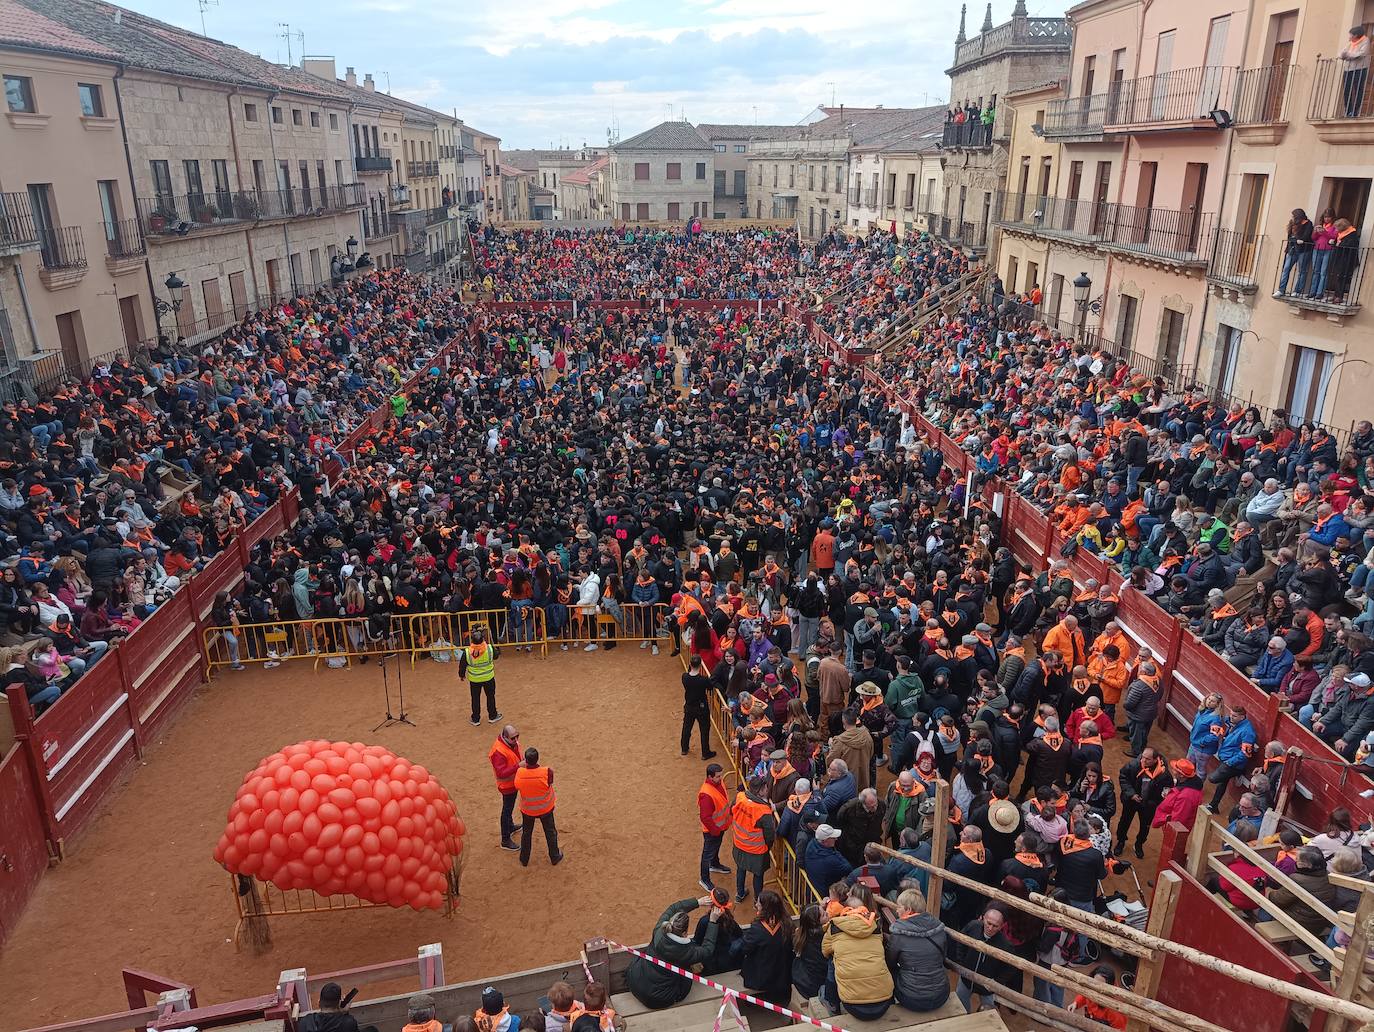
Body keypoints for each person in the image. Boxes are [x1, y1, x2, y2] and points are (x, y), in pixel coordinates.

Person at [626, 897, 723, 1009]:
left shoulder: (659, 929)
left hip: (634, 979)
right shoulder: (687, 951)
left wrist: (697, 902)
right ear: (685, 933)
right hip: (657, 997)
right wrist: (712, 921)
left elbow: (673, 908)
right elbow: (708, 949)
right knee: (688, 973)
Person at [820, 895, 894, 1019]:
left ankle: (832, 1003)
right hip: (884, 1003)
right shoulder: (875, 926)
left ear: (846, 909)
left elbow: (825, 951)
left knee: (833, 961)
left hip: (853, 1006)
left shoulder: (834, 926)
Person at [886, 886, 951, 1013]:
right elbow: (942, 957)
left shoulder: (898, 935)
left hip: (912, 999)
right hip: (941, 996)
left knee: (891, 971)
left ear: (908, 910)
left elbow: (890, 962)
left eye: (899, 906)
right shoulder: (939, 929)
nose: (897, 910)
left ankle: (890, 1003)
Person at [951, 905, 1013, 1014]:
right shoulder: (972, 926)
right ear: (983, 918)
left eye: (995, 926)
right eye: (988, 923)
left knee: (989, 1013)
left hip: (987, 987)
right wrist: (961, 963)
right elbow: (960, 942)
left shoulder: (1005, 945)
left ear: (1002, 926)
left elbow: (1010, 969)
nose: (990, 928)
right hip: (966, 979)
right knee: (960, 1007)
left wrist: (996, 981)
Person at [739, 889, 795, 1007]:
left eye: (759, 903)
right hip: (784, 973)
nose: (756, 905)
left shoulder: (757, 929)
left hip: (761, 977)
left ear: (765, 908)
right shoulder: (788, 923)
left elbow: (745, 948)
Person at [1116, 748, 1172, 859]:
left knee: (1145, 827)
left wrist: (1153, 802)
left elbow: (1166, 791)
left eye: (1147, 759)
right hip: (1131, 801)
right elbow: (1123, 777)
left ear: (1156, 760)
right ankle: (1121, 841)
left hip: (1148, 806)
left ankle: (1139, 844)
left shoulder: (1163, 773)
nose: (1143, 760)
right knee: (1124, 822)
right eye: (1143, 757)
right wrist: (1131, 794)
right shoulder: (1134, 765)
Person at [514, 746, 563, 867]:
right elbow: (550, 782)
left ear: (525, 760)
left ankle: (524, 859)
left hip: (528, 810)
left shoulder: (520, 772)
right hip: (545, 808)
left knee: (526, 833)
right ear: (537, 759)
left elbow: (517, 786)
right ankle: (555, 856)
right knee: (550, 832)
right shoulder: (547, 771)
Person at [731, 775, 776, 902]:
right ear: (760, 791)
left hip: (739, 843)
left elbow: (731, 809)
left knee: (741, 869)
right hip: (757, 850)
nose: (767, 790)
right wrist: (768, 846)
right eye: (766, 788)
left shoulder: (740, 797)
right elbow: (770, 834)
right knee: (758, 875)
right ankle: (758, 901)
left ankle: (739, 894)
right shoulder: (763, 810)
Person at [697, 762, 733, 891]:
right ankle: (704, 879)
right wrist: (715, 830)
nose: (721, 778)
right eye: (718, 776)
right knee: (707, 853)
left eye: (721, 775)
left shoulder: (719, 783)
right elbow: (705, 817)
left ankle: (715, 864)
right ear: (710, 777)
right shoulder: (706, 794)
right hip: (713, 830)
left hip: (720, 827)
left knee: (715, 848)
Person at [488, 723, 524, 851]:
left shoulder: (511, 744)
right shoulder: (498, 752)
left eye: (517, 736)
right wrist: (519, 766)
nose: (516, 740)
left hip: (514, 783)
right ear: (505, 737)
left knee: (509, 808)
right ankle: (505, 839)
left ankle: (510, 826)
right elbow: (501, 773)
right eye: (513, 738)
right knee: (507, 810)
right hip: (507, 786)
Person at [459, 626, 501, 727]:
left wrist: (461, 675)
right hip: (488, 678)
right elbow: (496, 656)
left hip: (474, 680)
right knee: (490, 696)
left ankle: (475, 719)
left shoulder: (467, 652)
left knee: (475, 698)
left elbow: (462, 665)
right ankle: (492, 716)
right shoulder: (489, 649)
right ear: (483, 639)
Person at [681, 655, 717, 759]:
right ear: (700, 665)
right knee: (704, 730)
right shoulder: (703, 680)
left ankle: (684, 748)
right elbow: (710, 687)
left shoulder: (685, 677)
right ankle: (705, 753)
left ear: (690, 665)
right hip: (701, 708)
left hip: (689, 706)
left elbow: (688, 675)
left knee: (686, 727)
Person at [803, 823, 851, 891]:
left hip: (813, 890)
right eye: (833, 837)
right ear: (825, 840)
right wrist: (836, 852)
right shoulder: (829, 859)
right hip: (824, 895)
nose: (836, 839)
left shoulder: (811, 844)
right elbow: (848, 868)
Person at [1342, 25, 1371, 118]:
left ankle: (1355, 111)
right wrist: (1344, 55)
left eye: (1350, 35)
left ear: (1355, 35)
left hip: (1360, 69)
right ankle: (1348, 110)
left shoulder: (1365, 40)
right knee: (1347, 90)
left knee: (1358, 89)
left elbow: (1362, 53)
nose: (1349, 37)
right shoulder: (1350, 43)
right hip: (1348, 69)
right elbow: (1341, 52)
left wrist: (1349, 55)